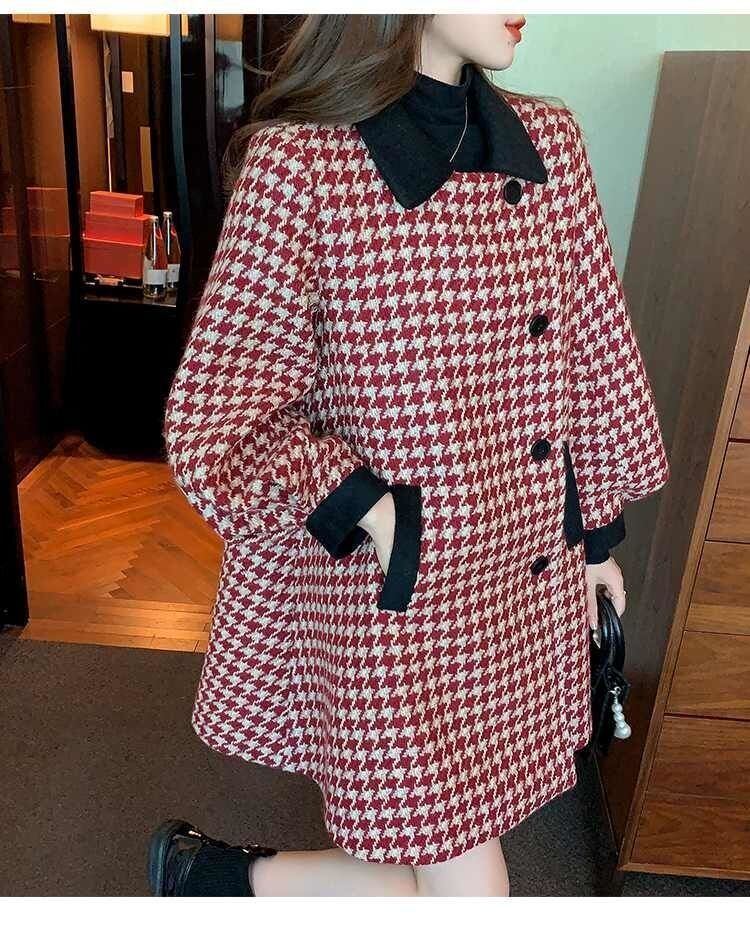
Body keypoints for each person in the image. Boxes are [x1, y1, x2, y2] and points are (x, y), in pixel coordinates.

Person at [150, 12, 670, 897]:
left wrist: (595, 540)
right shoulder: (302, 166)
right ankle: (218, 878)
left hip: (518, 578)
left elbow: (590, 353)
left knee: (438, 848)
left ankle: (219, 878)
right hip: (396, 599)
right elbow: (219, 416)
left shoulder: (549, 144)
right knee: (469, 881)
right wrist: (371, 509)